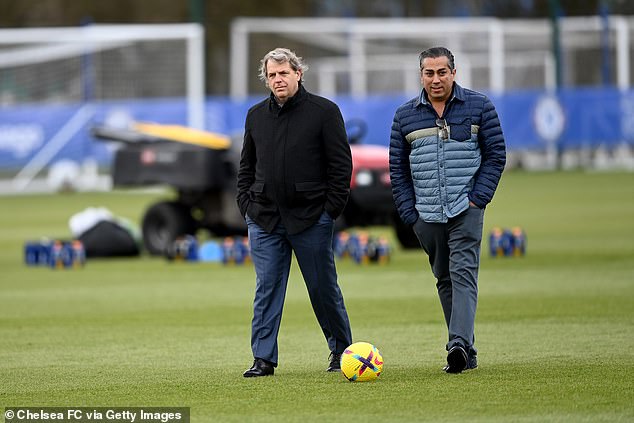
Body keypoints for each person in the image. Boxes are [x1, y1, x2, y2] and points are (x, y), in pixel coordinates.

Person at [237, 47, 353, 377]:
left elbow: (341, 166)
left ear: (298, 74)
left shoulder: (324, 111)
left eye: (284, 73)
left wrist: (330, 211)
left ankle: (342, 351)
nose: (278, 79)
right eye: (272, 75)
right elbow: (246, 166)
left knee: (322, 287)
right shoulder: (256, 116)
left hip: (312, 218)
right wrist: (245, 205)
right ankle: (263, 359)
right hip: (264, 218)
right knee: (267, 289)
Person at [389, 47, 506, 373]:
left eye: (442, 72)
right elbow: (397, 170)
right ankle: (467, 349)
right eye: (429, 73)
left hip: (465, 208)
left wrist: (477, 199)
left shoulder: (479, 106)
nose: (436, 79)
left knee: (463, 273)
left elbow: (496, 154)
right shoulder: (405, 115)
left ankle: (456, 344)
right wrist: (410, 214)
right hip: (425, 214)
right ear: (421, 75)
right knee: (444, 277)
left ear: (453, 73)